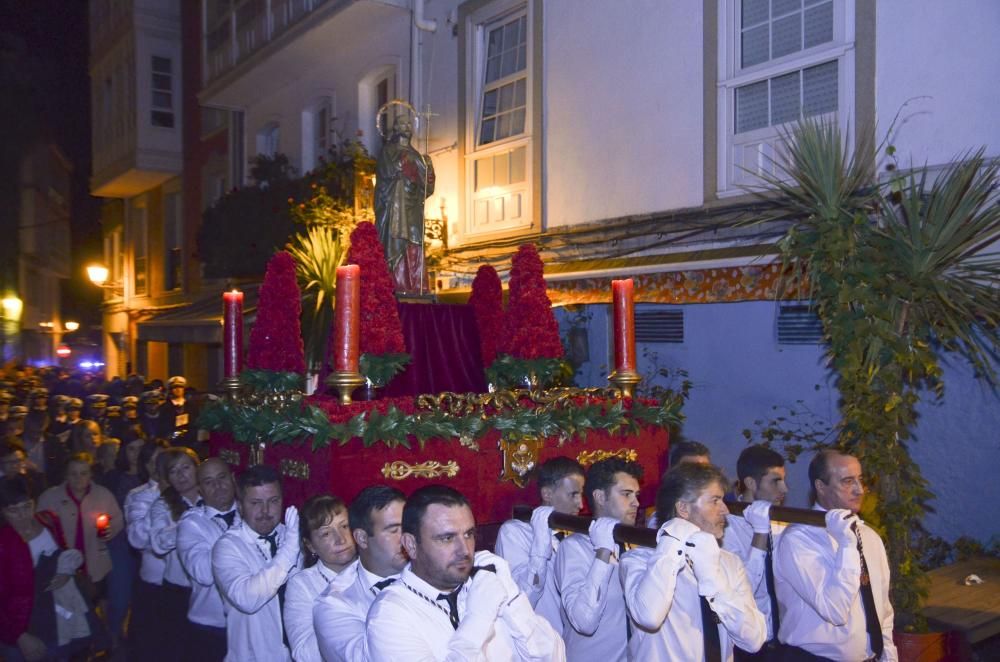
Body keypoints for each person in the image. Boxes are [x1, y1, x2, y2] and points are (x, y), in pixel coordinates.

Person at [366, 485, 564, 660]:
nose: (464, 550)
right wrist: (478, 618)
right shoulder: (390, 614)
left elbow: (553, 656)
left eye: (469, 534)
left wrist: (513, 598)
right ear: (410, 544)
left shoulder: (484, 582)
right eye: (447, 538)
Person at [621, 463, 767, 662]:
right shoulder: (639, 560)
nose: (725, 510)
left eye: (722, 500)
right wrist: (671, 540)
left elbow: (754, 640)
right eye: (715, 500)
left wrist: (714, 581)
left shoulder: (729, 562)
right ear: (683, 508)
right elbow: (649, 617)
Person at [775, 450, 897, 661]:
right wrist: (847, 545)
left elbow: (882, 609)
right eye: (848, 481)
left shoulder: (869, 537)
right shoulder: (798, 540)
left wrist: (888, 656)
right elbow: (834, 611)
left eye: (860, 480)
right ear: (821, 487)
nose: (859, 490)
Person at [554, 457, 642, 661]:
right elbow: (584, 621)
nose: (636, 502)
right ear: (600, 497)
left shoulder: (640, 546)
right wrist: (603, 552)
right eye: (626, 494)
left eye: (636, 495)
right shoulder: (574, 547)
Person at [0, 476, 95, 661]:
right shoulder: (4, 542)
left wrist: (67, 572)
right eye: (14, 510)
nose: (23, 515)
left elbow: (63, 552)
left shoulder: (48, 520)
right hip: (22, 627)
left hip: (59, 617)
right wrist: (20, 636)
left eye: (27, 506)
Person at [212, 464, 301, 661]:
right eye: (255, 503)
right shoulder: (228, 547)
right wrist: (290, 550)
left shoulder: (290, 535)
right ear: (240, 506)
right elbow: (248, 600)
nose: (265, 511)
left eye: (273, 501)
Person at [313, 485, 408, 662]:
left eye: (408, 527)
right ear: (362, 538)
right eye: (394, 530)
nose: (406, 538)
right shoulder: (335, 603)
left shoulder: (432, 571)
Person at [495, 456, 584, 634]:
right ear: (547, 494)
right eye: (573, 494)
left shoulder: (580, 534)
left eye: (582, 494)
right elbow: (524, 600)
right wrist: (541, 541)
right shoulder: (515, 533)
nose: (580, 504)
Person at [723, 445, 789, 660]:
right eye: (775, 481)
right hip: (748, 646)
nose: (784, 489)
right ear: (751, 483)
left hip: (786, 642)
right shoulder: (727, 529)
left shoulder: (784, 524)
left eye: (783, 480)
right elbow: (743, 591)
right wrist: (760, 533)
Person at [177, 457, 239, 661]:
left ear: (233, 479)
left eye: (222, 478)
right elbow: (203, 573)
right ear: (200, 489)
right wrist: (239, 536)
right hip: (208, 626)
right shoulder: (192, 523)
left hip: (247, 626)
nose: (218, 486)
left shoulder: (252, 515)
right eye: (208, 481)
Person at [284, 494, 356, 662]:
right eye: (326, 534)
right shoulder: (302, 584)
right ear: (310, 545)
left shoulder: (374, 568)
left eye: (344, 526)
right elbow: (303, 654)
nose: (340, 539)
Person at [37, 452, 124, 591]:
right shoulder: (50, 498)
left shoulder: (103, 495)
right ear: (66, 475)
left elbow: (117, 520)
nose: (79, 478)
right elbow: (39, 527)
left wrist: (109, 530)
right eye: (73, 474)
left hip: (96, 563)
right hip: (61, 565)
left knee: (97, 601)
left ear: (91, 475)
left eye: (83, 473)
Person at [374, 113, 436, 294]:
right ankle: (398, 285)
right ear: (396, 128)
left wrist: (429, 169)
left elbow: (427, 188)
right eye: (403, 123)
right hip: (396, 208)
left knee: (415, 242)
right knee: (397, 241)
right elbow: (385, 174)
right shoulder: (388, 151)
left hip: (413, 210)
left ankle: (416, 286)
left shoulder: (416, 155)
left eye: (409, 124)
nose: (407, 127)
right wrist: (400, 166)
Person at [149, 447, 202, 657]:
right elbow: (158, 543)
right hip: (178, 589)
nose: (181, 475)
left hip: (207, 590)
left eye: (186, 467)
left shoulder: (213, 498)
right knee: (175, 647)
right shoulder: (162, 505)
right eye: (173, 471)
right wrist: (190, 523)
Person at [124, 440, 168, 661]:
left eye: (160, 460)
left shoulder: (187, 491)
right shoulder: (137, 495)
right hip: (153, 582)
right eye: (151, 462)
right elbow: (138, 539)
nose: (156, 467)